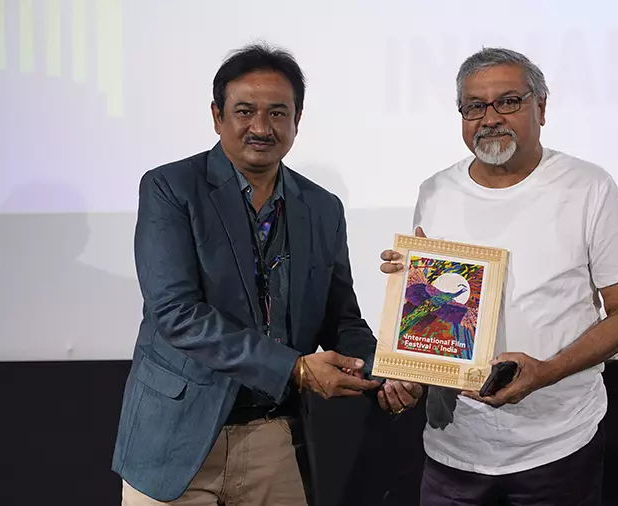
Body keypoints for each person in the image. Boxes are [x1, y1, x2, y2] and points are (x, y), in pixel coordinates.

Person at [112, 43, 423, 506]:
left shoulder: (322, 208)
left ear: (298, 120)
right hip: (174, 439)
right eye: (245, 111)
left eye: (278, 113)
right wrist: (294, 368)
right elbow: (176, 314)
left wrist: (389, 372)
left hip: (274, 439)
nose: (261, 127)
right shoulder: (170, 188)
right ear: (217, 116)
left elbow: (340, 320)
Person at [380, 47, 618, 505]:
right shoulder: (436, 191)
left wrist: (546, 372)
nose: (490, 118)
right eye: (474, 106)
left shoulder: (588, 187)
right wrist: (409, 308)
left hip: (557, 447)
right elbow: (436, 317)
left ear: (540, 108)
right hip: (453, 447)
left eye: (508, 101)